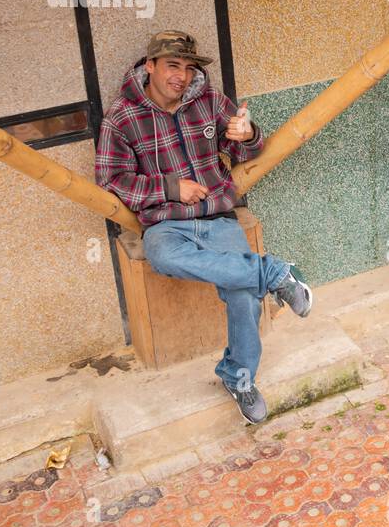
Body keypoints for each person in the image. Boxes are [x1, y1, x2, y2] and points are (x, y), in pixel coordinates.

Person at [95, 31, 313, 424]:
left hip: (218, 216)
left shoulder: (209, 100)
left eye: (188, 67)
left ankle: (239, 377)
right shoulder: (122, 117)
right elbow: (111, 181)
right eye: (172, 66)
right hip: (167, 225)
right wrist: (170, 188)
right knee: (162, 256)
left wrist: (248, 135)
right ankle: (275, 273)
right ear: (150, 66)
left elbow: (246, 149)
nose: (181, 76)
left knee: (244, 292)